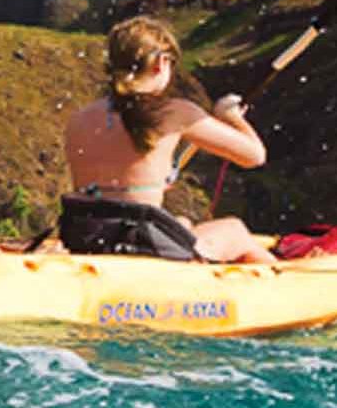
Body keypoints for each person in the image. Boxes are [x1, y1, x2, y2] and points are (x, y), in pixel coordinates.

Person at [60, 16, 276, 264]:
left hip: (86, 237)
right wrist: (232, 117)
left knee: (183, 222)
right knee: (234, 230)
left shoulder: (79, 118)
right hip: (141, 243)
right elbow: (254, 156)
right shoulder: (175, 112)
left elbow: (117, 183)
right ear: (161, 62)